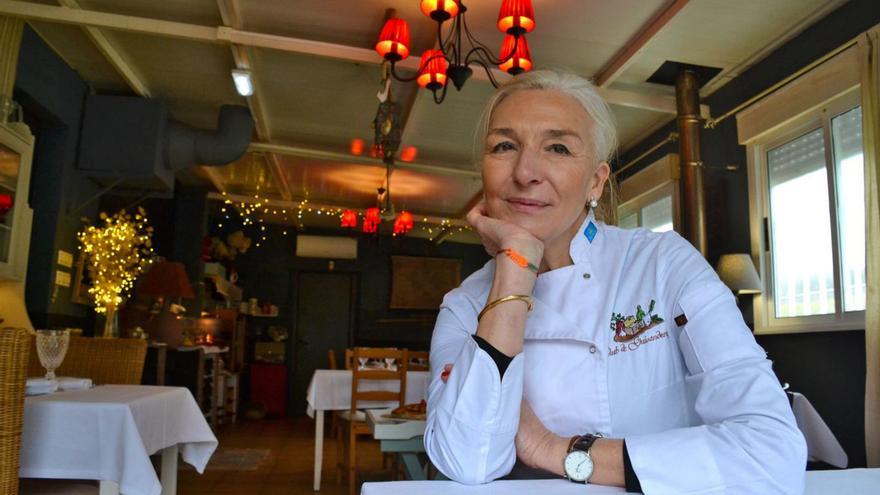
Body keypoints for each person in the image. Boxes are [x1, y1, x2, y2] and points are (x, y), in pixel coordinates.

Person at [423, 69, 807, 494]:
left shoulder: (662, 263)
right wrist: (515, 267)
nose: (525, 171)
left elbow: (771, 451)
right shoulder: (464, 305)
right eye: (504, 146)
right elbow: (466, 460)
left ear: (595, 181)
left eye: (557, 147)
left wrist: (553, 449)